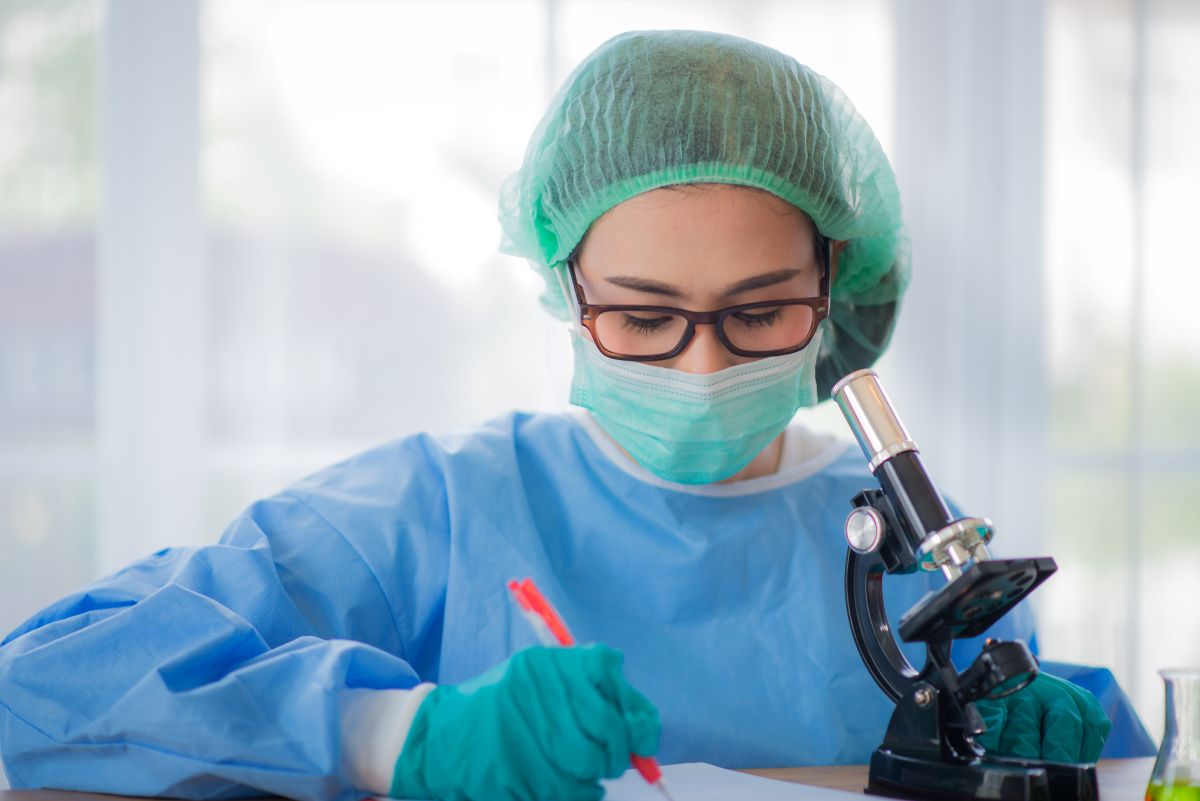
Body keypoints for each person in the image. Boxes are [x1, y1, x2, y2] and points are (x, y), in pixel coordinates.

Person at [0, 29, 1146, 801]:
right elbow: (46, 682)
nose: (702, 364)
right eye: (644, 317)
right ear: (567, 288)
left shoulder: (911, 550)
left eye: (760, 312)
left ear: (836, 291)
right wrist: (387, 735)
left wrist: (1023, 755)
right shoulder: (439, 510)